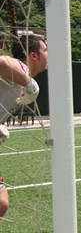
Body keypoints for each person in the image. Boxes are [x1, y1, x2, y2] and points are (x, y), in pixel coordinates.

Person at [0, 34, 49, 217]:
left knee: (1, 203)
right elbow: (3, 62)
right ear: (33, 55)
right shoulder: (21, 69)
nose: (48, 53)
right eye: (45, 50)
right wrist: (30, 83)